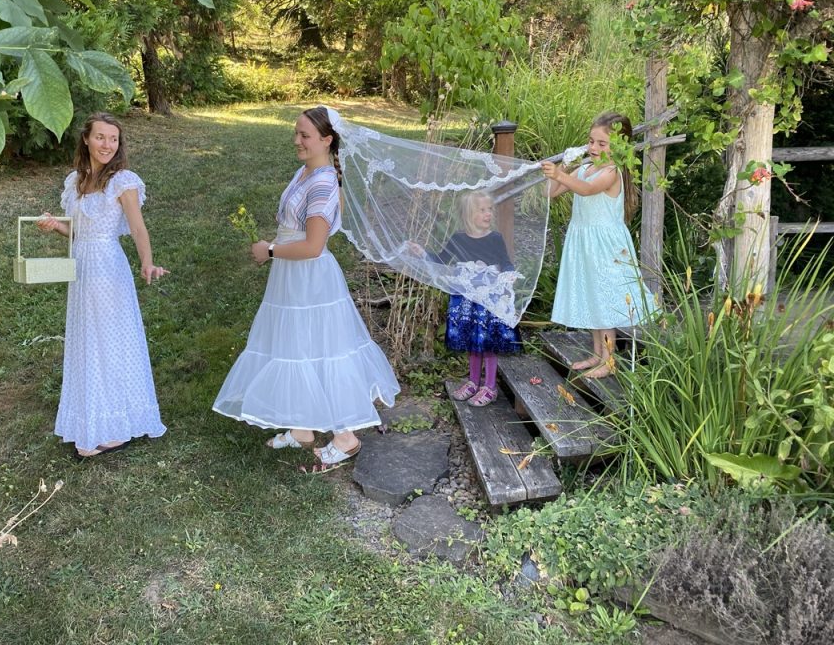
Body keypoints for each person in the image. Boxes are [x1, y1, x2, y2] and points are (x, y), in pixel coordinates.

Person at [212, 106, 400, 468]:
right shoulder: (305, 172)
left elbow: (313, 246)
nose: (296, 140)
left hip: (310, 280)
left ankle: (345, 437)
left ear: (326, 140)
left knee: (321, 348)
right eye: (296, 133)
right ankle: (302, 426)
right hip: (291, 275)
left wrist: (269, 250)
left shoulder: (324, 183)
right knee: (294, 344)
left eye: (305, 135)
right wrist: (275, 246)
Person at [37, 112, 169, 458]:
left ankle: (117, 426)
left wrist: (147, 262)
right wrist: (56, 225)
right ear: (86, 139)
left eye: (113, 138)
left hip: (108, 269)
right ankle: (93, 418)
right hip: (82, 268)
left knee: (110, 342)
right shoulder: (76, 181)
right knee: (87, 341)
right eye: (100, 137)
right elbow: (78, 231)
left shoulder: (122, 181)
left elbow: (137, 228)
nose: (107, 144)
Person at [540, 111, 656, 378]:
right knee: (592, 294)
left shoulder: (612, 172)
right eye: (591, 141)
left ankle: (609, 359)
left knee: (604, 297)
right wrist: (559, 171)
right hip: (584, 242)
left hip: (605, 246)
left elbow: (586, 190)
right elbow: (551, 193)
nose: (593, 147)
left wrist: (561, 175)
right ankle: (597, 354)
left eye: (602, 143)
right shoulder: (583, 169)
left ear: (619, 147)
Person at [421, 191, 522, 407]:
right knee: (472, 341)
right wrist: (421, 253)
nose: (488, 214)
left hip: (488, 297)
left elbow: (505, 261)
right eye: (482, 210)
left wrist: (509, 273)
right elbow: (441, 259)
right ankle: (473, 382)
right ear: (469, 214)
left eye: (489, 209)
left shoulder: (495, 238)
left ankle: (490, 386)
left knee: (487, 341)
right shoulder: (458, 239)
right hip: (466, 299)